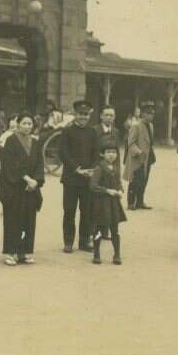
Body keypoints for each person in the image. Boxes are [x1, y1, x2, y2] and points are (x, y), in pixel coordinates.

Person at [0, 112, 45, 265]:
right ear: (18, 124)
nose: (27, 126)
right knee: (13, 220)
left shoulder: (36, 142)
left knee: (28, 220)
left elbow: (39, 164)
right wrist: (26, 178)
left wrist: (36, 181)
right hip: (15, 187)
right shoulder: (10, 141)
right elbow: (9, 164)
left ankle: (24, 252)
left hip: (31, 189)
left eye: (30, 124)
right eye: (24, 123)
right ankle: (11, 252)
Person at [59, 100, 98, 253]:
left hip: (87, 178)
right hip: (71, 179)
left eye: (86, 115)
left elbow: (96, 152)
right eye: (81, 114)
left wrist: (92, 169)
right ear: (75, 114)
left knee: (86, 211)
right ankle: (68, 242)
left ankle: (84, 241)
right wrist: (77, 169)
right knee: (69, 210)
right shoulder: (67, 131)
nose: (83, 117)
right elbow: (63, 153)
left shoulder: (92, 132)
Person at [90, 141, 127, 265]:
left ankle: (117, 254)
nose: (111, 155)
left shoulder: (116, 168)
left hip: (113, 204)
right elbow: (93, 186)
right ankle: (96, 253)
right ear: (102, 154)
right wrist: (107, 191)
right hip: (102, 203)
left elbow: (118, 182)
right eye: (108, 152)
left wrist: (120, 189)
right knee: (99, 229)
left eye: (114, 152)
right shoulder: (99, 168)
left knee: (114, 229)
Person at [93, 104, 120, 239]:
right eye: (106, 115)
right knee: (98, 203)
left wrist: (117, 171)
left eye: (111, 115)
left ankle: (106, 231)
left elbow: (117, 154)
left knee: (109, 203)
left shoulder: (116, 132)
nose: (109, 117)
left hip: (111, 171)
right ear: (101, 116)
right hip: (98, 169)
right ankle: (95, 231)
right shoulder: (94, 131)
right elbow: (91, 152)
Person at [124, 102, 156, 210]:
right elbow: (131, 143)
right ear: (142, 114)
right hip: (137, 157)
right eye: (147, 113)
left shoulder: (151, 126)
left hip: (148, 157)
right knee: (135, 180)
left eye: (152, 113)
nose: (150, 115)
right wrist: (139, 152)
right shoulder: (136, 126)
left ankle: (140, 202)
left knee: (144, 180)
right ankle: (130, 202)